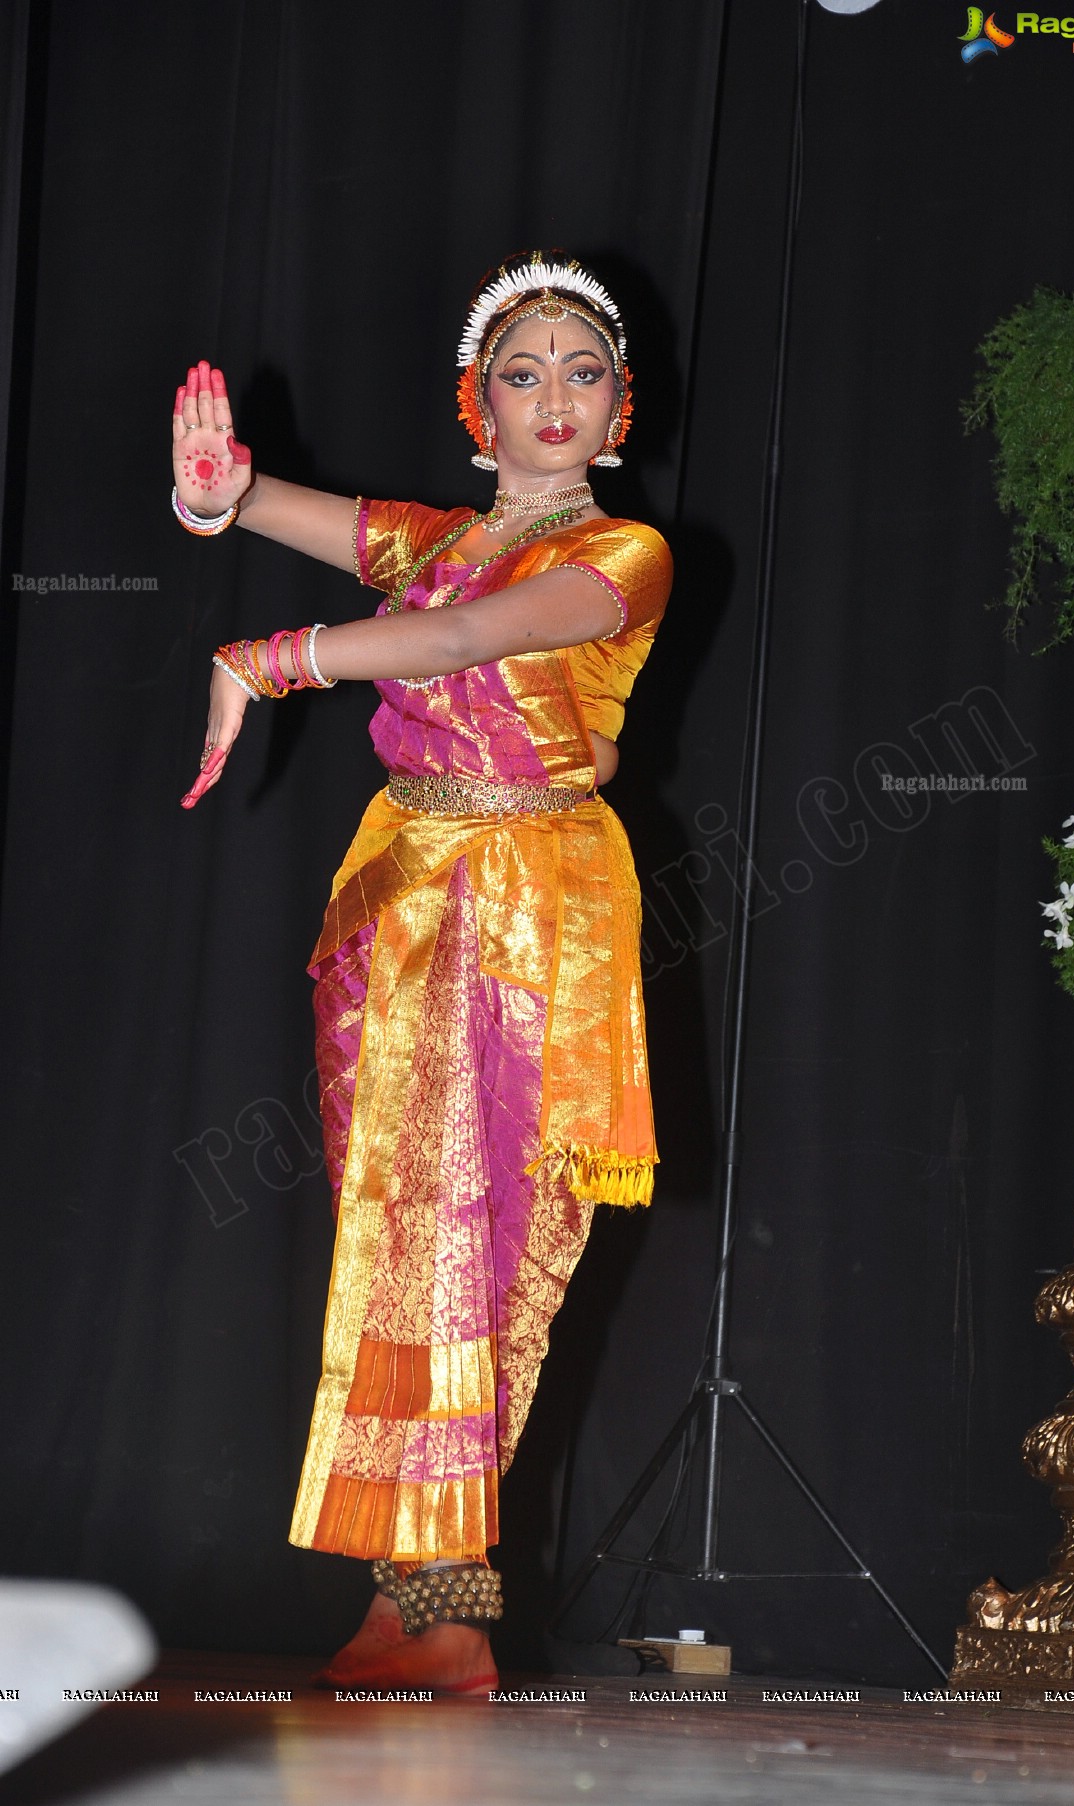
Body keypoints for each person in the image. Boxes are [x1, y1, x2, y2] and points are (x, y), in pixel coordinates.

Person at [172, 253, 671, 1694]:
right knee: (407, 1242)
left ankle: (448, 1602)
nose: (558, 391)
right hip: (407, 903)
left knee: (494, 1236)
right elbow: (302, 519)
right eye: (525, 371)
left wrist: (278, 657)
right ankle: (412, 1590)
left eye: (586, 369)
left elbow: (459, 639)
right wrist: (225, 495)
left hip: (528, 918)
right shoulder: (442, 537)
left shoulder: (623, 554)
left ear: (620, 408)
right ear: (480, 411)